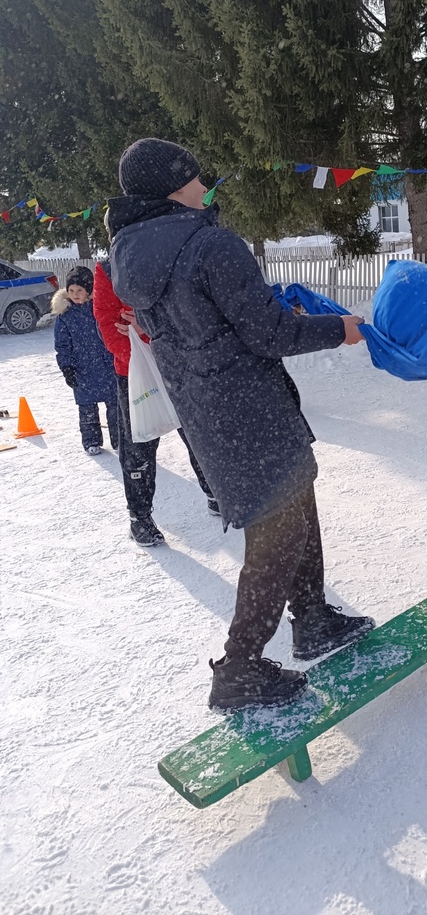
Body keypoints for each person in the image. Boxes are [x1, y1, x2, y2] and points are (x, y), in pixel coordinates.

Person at [107, 138, 374, 710]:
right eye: (196, 178)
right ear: (174, 188)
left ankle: (314, 618)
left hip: (210, 414)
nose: (205, 187)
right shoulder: (211, 245)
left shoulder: (131, 252)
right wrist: (338, 329)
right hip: (252, 408)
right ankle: (239, 668)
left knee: (296, 509)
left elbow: (209, 323)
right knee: (276, 536)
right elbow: (269, 334)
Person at [94, 258, 220, 547]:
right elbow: (108, 322)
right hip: (134, 372)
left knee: (197, 433)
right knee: (138, 444)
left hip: (178, 364)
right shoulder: (109, 269)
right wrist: (143, 361)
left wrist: (155, 338)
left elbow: (186, 315)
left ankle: (216, 494)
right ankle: (139, 517)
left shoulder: (169, 256)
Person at [52, 265, 118, 456]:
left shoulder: (100, 307)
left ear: (89, 289)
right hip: (82, 369)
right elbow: (62, 345)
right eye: (71, 291)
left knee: (115, 407)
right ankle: (92, 441)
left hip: (107, 365)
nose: (75, 294)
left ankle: (119, 439)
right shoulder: (65, 315)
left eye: (79, 290)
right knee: (87, 410)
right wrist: (66, 367)